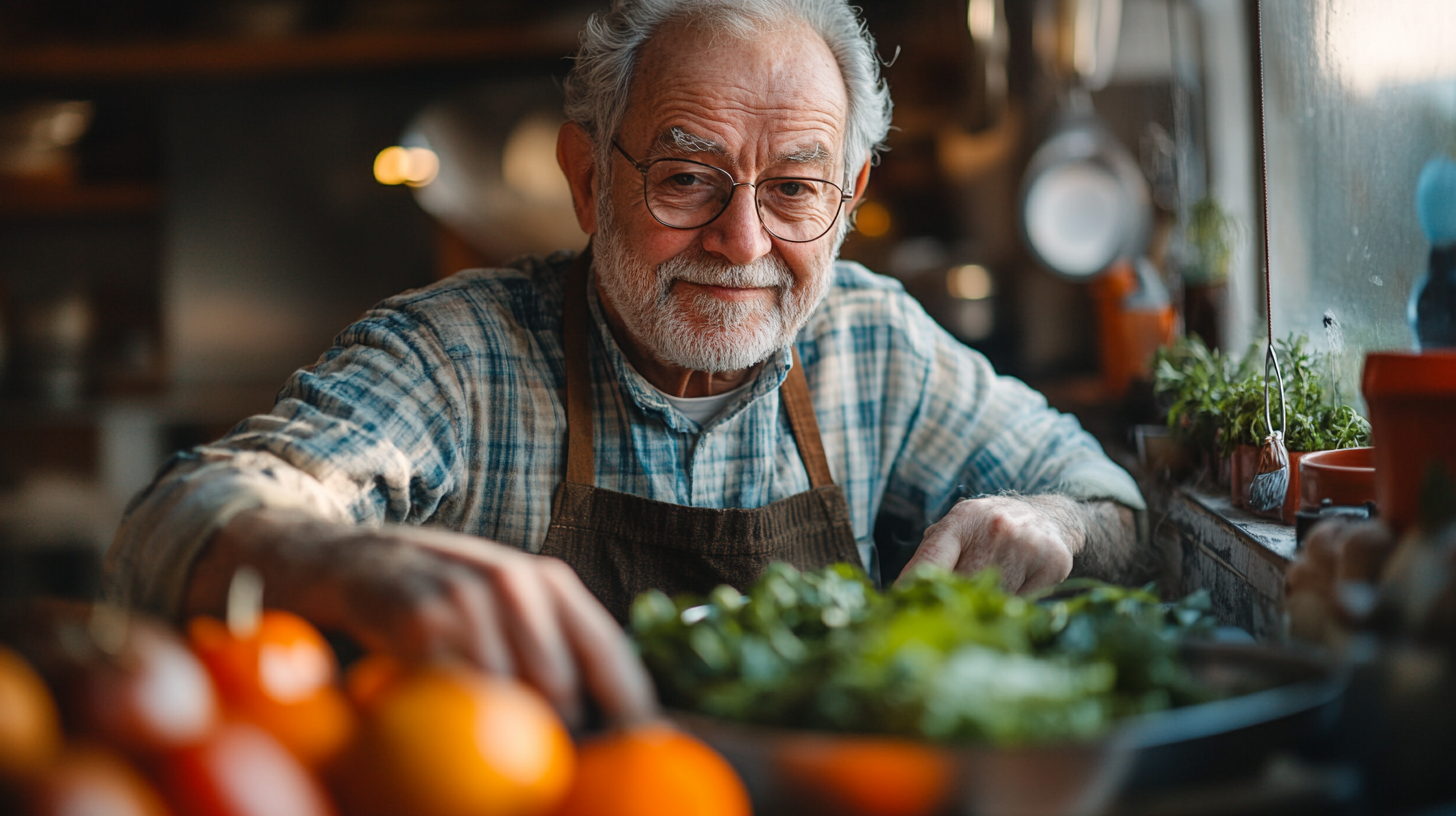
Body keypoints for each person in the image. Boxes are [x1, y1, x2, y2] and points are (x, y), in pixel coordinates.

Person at [106, 0, 1147, 727]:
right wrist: (335, 562)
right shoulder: (459, 357)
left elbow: (1110, 504)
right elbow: (167, 522)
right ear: (587, 178)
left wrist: (1053, 524)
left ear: (848, 196)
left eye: (794, 188)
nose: (742, 242)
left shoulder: (876, 347)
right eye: (687, 177)